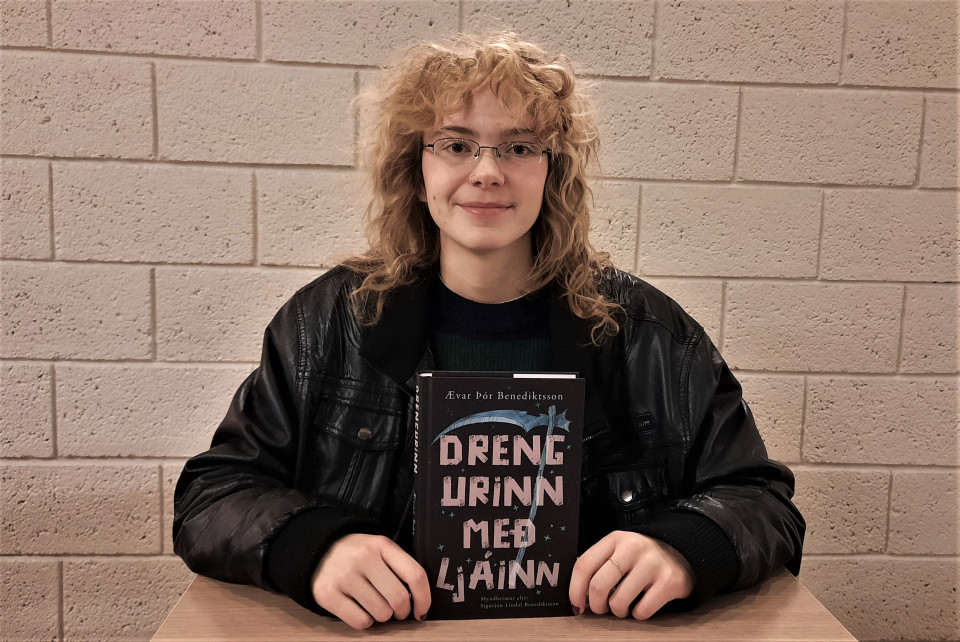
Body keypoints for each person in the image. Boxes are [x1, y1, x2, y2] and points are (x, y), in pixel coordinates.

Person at [173, 32, 804, 630]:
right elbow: (213, 494)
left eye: (519, 147)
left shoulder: (650, 334)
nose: (487, 172)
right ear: (415, 168)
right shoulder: (328, 321)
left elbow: (761, 499)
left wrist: (684, 547)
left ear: (553, 171)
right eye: (456, 145)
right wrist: (312, 545)